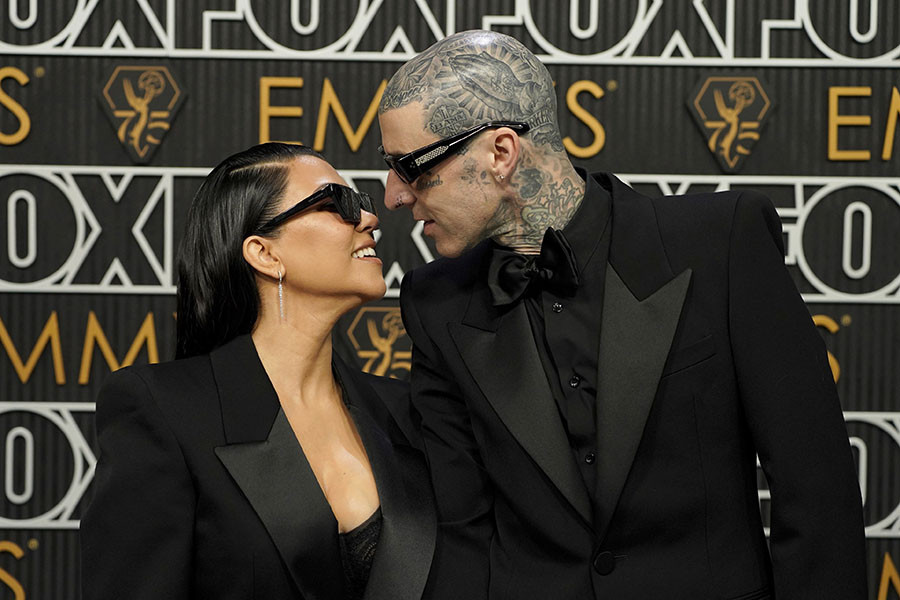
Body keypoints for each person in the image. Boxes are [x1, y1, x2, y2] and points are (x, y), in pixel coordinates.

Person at [377, 30, 867, 600]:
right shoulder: (434, 302)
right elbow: (463, 532)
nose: (394, 196)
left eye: (409, 168)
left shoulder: (719, 245)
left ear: (501, 153)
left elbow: (815, 492)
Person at [80, 143, 435, 600]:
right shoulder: (164, 410)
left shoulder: (402, 411)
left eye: (362, 204)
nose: (368, 219)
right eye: (336, 204)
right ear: (264, 253)